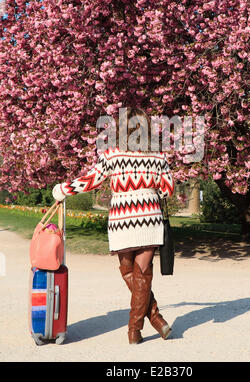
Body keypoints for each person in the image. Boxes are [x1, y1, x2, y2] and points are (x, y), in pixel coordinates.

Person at [52, 107, 175, 344]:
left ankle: (143, 325)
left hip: (122, 218)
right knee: (143, 273)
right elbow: (167, 190)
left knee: (128, 272)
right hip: (149, 215)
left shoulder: (112, 155)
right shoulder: (159, 156)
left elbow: (91, 180)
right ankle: (143, 325)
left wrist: (63, 190)